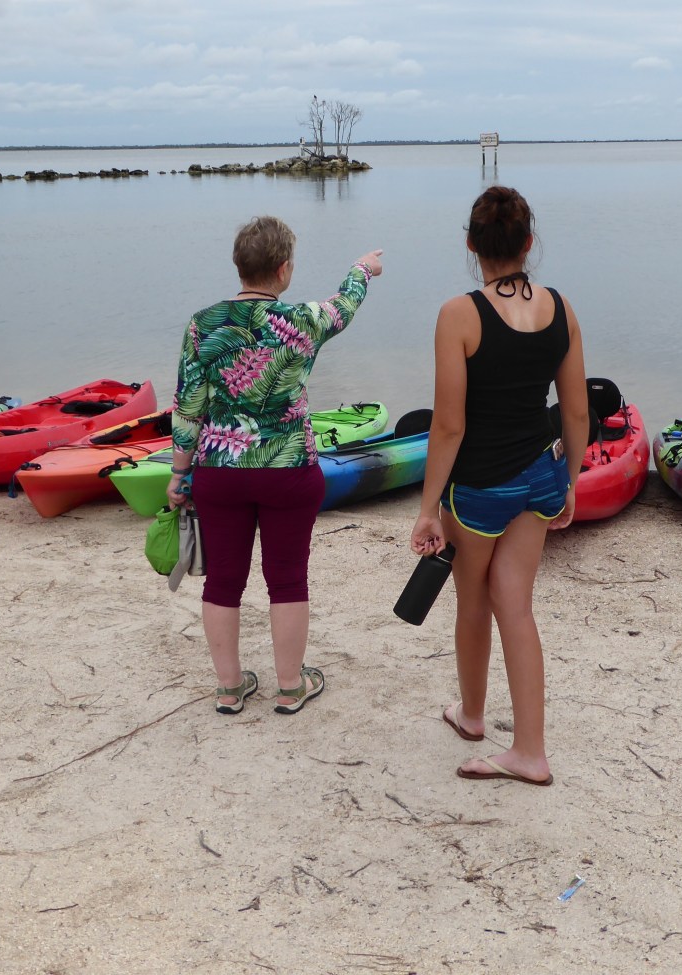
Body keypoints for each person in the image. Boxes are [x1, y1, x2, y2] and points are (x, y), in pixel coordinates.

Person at [409, 186, 588, 786]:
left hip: (481, 487)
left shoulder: (459, 314)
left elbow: (449, 424)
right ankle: (530, 751)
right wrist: (572, 483)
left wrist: (427, 508)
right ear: (529, 243)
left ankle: (474, 715)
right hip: (540, 476)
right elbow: (576, 413)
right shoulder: (561, 307)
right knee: (517, 607)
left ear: (470, 246)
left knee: (473, 604)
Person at [169, 216, 383, 716]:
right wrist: (363, 269)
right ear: (284, 270)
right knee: (287, 578)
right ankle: (290, 686)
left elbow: (187, 406)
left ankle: (228, 688)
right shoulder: (303, 320)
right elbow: (345, 304)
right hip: (288, 469)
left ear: (239, 266)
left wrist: (179, 475)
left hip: (220, 471)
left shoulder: (204, 324)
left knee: (223, 578)